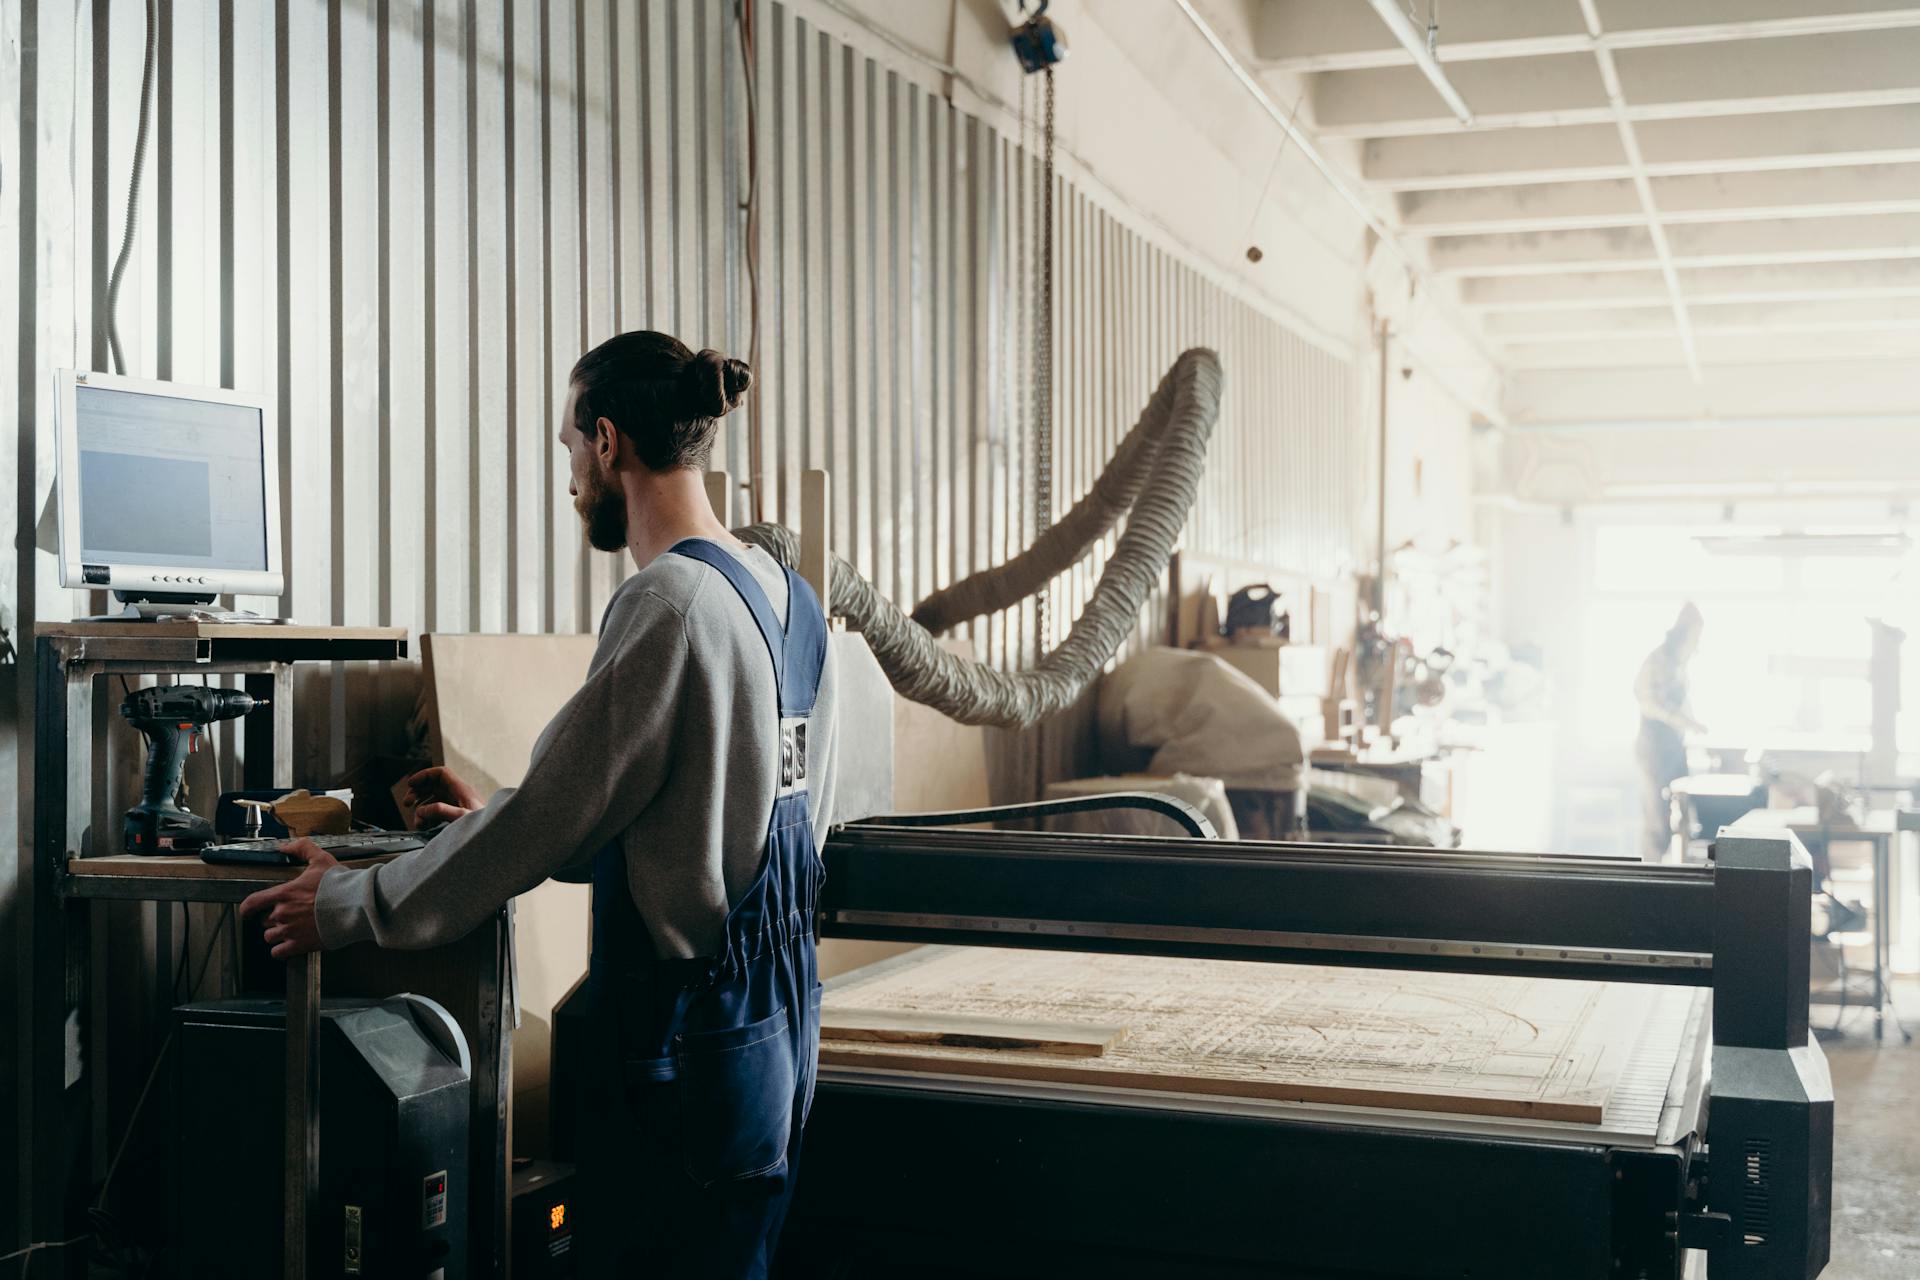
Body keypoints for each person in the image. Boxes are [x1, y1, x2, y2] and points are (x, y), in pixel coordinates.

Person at [240, 330, 838, 1277]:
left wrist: (347, 904)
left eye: (568, 447)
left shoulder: (670, 604)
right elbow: (709, 818)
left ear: (609, 442)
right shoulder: (792, 601)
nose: (570, 478)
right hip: (773, 1037)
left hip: (680, 1045)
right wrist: (500, 827)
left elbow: (540, 827)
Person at [1634, 602, 1705, 862]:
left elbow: (1682, 703)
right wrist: (1682, 721)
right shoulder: (1657, 661)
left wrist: (1693, 723)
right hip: (1653, 748)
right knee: (1656, 819)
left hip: (1674, 747)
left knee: (1682, 813)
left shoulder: (1680, 664)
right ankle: (1650, 873)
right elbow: (1649, 702)